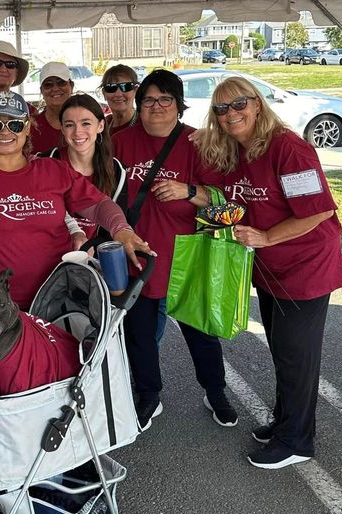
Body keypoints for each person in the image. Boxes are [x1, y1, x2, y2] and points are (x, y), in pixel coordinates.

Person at [195, 76, 342, 469]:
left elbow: (318, 210)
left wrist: (265, 236)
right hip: (270, 270)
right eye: (221, 109)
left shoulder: (288, 148)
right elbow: (217, 195)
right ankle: (285, 423)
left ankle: (297, 440)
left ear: (257, 104)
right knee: (283, 353)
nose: (231, 114)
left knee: (297, 356)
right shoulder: (237, 151)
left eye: (239, 104)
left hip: (304, 268)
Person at [0, 91, 152, 311]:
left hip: (58, 299)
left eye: (14, 124)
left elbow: (99, 204)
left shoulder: (53, 170)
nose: (5, 133)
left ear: (27, 128)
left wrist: (121, 229)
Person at [111, 69, 237, 431]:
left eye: (165, 99)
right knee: (141, 336)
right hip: (138, 256)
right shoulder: (120, 142)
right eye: (148, 99)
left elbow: (224, 200)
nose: (157, 107)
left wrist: (188, 191)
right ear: (138, 105)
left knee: (201, 334)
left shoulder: (198, 143)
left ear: (179, 105)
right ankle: (149, 396)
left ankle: (216, 392)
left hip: (187, 256)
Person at [42, 93, 126, 241]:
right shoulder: (45, 163)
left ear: (100, 126)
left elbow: (109, 229)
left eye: (86, 123)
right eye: (69, 125)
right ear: (61, 128)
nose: (77, 132)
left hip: (94, 258)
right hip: (50, 254)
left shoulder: (116, 170)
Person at [31, 62, 74, 154]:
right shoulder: (31, 128)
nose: (55, 89)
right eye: (48, 84)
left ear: (71, 86)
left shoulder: (86, 123)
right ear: (41, 91)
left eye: (61, 82)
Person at [101, 64, 140, 135]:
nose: (118, 94)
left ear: (136, 91)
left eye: (126, 87)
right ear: (104, 93)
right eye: (111, 87)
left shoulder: (146, 124)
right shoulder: (102, 126)